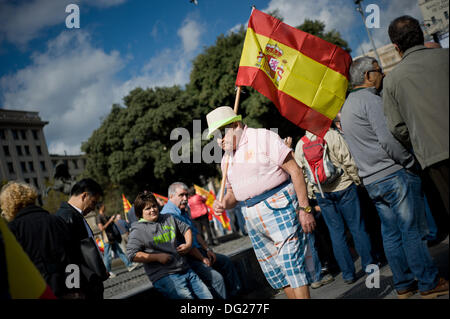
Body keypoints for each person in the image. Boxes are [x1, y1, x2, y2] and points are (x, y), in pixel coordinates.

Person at [340, 56, 448, 299]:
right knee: (412, 230)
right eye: (378, 71)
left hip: (372, 180)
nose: (382, 75)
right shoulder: (371, 100)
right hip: (393, 174)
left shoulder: (347, 107)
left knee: (390, 233)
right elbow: (388, 139)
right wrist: (409, 162)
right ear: (368, 76)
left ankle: (403, 284)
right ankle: (428, 282)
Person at [207, 106, 316, 299]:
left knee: (292, 266)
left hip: (280, 206)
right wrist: (224, 202)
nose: (219, 140)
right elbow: (233, 195)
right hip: (252, 217)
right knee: (277, 272)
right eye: (216, 136)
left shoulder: (262, 137)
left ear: (236, 125)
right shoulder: (226, 159)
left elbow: (296, 171)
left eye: (221, 134)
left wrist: (304, 208)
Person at [383, 15, 449, 215]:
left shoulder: (392, 80)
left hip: (434, 156)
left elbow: (397, 128)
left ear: (396, 46)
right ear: (422, 34)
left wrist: (421, 138)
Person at [294, 127, 375, 284]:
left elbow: (302, 174)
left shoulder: (300, 145)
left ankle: (348, 274)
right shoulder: (332, 135)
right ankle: (370, 267)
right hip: (344, 187)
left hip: (322, 193)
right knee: (357, 227)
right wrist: (356, 179)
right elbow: (348, 160)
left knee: (336, 233)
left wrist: (312, 193)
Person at [161, 182, 241, 299]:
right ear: (171, 196)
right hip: (187, 258)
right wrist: (202, 258)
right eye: (181, 195)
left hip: (198, 251)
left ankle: (236, 295)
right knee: (216, 278)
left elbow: (195, 232)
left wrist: (207, 249)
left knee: (225, 262)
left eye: (186, 195)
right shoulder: (169, 215)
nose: (185, 199)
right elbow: (185, 245)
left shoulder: (182, 210)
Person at [126, 191, 212, 299]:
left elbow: (186, 229)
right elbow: (131, 255)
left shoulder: (168, 217)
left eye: (154, 206)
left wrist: (188, 244)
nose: (152, 210)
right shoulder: (138, 229)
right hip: (165, 276)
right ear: (140, 213)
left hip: (185, 269)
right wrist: (157, 257)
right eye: (147, 208)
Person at [0, 181, 72, 298]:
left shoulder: (13, 230)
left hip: (37, 292)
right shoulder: (56, 221)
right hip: (65, 288)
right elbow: (73, 259)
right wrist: (75, 288)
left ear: (8, 206)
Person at [55, 178, 108, 299]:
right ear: (84, 196)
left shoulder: (75, 215)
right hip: (84, 287)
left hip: (90, 282)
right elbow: (67, 258)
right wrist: (73, 288)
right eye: (93, 202)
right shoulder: (66, 218)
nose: (93, 208)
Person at [96, 204, 137, 278]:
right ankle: (107, 272)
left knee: (120, 252)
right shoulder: (99, 217)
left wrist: (112, 220)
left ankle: (129, 265)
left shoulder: (104, 215)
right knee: (107, 256)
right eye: (103, 206)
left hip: (112, 237)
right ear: (101, 207)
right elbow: (101, 228)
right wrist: (110, 221)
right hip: (107, 239)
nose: (105, 206)